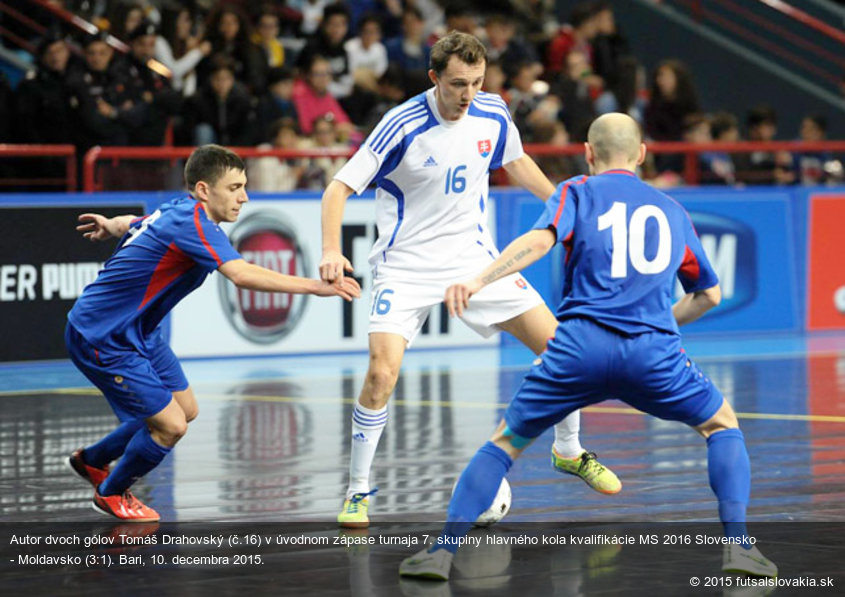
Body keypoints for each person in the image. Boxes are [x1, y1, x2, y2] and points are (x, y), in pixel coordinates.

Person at [398, 113, 778, 580]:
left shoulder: (576, 191)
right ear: (641, 154)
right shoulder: (672, 211)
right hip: (652, 355)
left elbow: (541, 241)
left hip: (578, 349)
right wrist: (662, 325)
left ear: (588, 152)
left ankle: (440, 553)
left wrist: (479, 279)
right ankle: (738, 548)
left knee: (504, 444)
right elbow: (710, 296)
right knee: (722, 425)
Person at [320, 32, 620, 530]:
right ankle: (357, 491)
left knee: (562, 350)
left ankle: (569, 450)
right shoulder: (402, 124)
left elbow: (517, 162)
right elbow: (338, 188)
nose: (467, 94)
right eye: (458, 84)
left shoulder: (492, 110)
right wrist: (331, 250)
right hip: (406, 265)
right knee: (380, 375)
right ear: (434, 77)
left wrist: (568, 213)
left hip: (474, 261)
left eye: (476, 83)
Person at [65, 144, 360, 522]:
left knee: (185, 410)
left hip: (139, 332)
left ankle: (93, 460)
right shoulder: (193, 223)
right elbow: (241, 274)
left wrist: (111, 226)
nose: (245, 197)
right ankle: (111, 492)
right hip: (102, 336)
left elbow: (134, 223)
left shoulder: (177, 209)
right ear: (204, 190)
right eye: (235, 187)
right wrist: (316, 287)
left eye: (245, 186)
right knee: (170, 426)